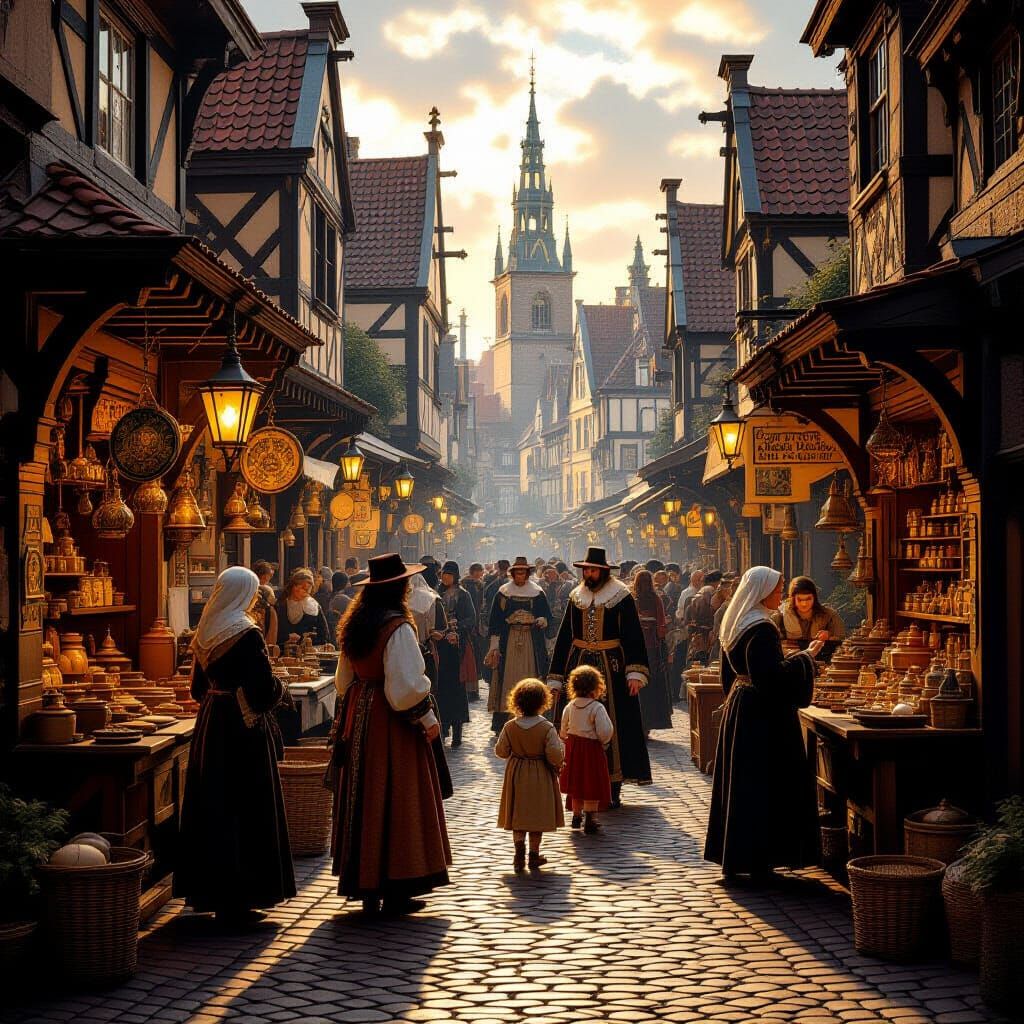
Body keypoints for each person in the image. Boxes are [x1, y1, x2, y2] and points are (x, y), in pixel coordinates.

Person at [331, 554, 452, 915]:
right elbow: (405, 687)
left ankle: (366, 882)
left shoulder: (355, 624)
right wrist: (427, 717)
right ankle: (397, 882)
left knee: (364, 794)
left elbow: (343, 681)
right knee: (398, 795)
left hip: (359, 713)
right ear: (399, 589)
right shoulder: (397, 627)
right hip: (390, 721)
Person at [176, 567, 295, 925]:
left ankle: (211, 891)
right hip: (242, 730)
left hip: (212, 723)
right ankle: (242, 896)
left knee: (213, 803)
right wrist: (281, 690)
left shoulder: (206, 631)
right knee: (246, 803)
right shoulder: (246, 633)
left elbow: (197, 689)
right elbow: (261, 690)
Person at [704, 566, 824, 883]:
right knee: (764, 785)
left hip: (742, 707)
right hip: (763, 717)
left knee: (745, 786)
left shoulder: (737, 623)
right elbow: (770, 679)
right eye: (777, 588)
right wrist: (805, 659)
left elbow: (730, 675)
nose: (781, 594)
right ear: (761, 591)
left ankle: (746, 857)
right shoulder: (762, 628)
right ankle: (761, 858)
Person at [547, 547, 651, 808]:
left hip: (612, 668)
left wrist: (635, 672)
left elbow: (633, 636)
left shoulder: (620, 596)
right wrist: (556, 677)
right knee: (578, 727)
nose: (588, 574)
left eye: (593, 570)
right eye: (585, 570)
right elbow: (564, 638)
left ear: (604, 571)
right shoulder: (576, 597)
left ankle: (613, 786)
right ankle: (579, 785)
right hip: (579, 666)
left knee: (614, 725)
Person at [495, 678, 565, 872]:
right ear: (543, 701)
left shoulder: (510, 726)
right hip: (540, 773)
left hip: (517, 773)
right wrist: (560, 763)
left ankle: (518, 853)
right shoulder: (547, 727)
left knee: (519, 815)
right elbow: (554, 754)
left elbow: (501, 751)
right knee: (536, 816)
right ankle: (534, 855)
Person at [485, 556, 552, 733]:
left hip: (531, 640)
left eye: (523, 573)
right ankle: (506, 717)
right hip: (509, 640)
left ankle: (531, 713)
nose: (520, 576)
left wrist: (541, 620)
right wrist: (494, 644)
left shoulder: (537, 593)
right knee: (508, 677)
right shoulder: (503, 593)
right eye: (517, 573)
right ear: (513, 574)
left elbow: (548, 616)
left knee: (531, 676)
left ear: (527, 574)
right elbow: (494, 620)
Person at [559, 665, 613, 834]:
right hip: (591, 749)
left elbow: (563, 728)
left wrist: (565, 739)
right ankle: (590, 818)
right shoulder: (597, 708)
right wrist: (604, 741)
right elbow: (604, 730)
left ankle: (576, 816)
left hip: (573, 748)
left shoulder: (570, 706)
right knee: (592, 782)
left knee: (576, 784)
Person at [436, 561, 474, 747]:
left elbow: (471, 619)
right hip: (441, 648)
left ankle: (458, 729)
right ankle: (443, 727)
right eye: (444, 574)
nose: (445, 578)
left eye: (449, 575)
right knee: (441, 687)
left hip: (457, 649)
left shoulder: (463, 595)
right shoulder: (436, 594)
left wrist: (457, 627)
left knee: (458, 688)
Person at [631, 570, 674, 734]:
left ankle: (646, 722)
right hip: (646, 647)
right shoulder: (637, 599)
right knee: (647, 683)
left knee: (647, 683)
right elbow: (661, 626)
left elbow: (661, 626)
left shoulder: (654, 599)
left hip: (648, 648)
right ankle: (645, 722)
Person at [772, 576, 846, 661]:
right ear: (792, 598)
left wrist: (829, 636)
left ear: (814, 597)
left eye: (808, 599)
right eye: (799, 599)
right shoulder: (779, 617)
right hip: (791, 663)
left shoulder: (829, 616)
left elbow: (843, 645)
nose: (804, 604)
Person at [275, 568, 331, 647]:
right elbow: (274, 633)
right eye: (303, 588)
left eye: (309, 589)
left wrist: (310, 641)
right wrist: (286, 638)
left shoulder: (314, 606)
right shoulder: (281, 605)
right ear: (293, 587)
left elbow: (324, 635)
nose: (306, 591)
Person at [461, 562, 486, 702]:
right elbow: (475, 608)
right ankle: (471, 688)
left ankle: (471, 688)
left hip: (473, 625)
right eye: (479, 571)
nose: (480, 573)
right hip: (471, 626)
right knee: (471, 657)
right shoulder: (470, 586)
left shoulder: (476, 585)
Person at [326, 572, 351, 637]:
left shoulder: (329, 596)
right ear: (344, 584)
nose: (350, 584)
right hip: (339, 631)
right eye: (348, 582)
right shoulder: (342, 598)